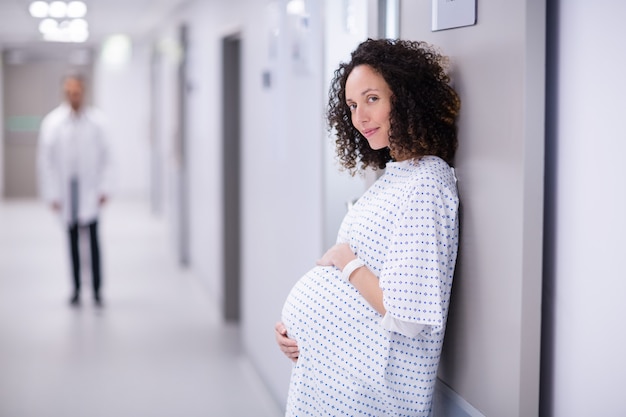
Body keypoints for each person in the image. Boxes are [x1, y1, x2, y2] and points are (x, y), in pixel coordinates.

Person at [275, 38, 461, 416]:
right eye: (353, 105)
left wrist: (346, 261)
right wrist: (302, 334)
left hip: (369, 397)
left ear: (406, 97)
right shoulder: (396, 176)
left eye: (372, 99)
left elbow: (408, 316)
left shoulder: (427, 182)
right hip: (335, 381)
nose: (360, 118)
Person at [38, 73, 112, 306]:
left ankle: (98, 290)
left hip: (90, 189)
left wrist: (104, 188)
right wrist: (51, 194)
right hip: (66, 190)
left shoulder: (98, 122)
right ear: (64, 93)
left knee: (93, 241)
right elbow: (45, 161)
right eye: (69, 92)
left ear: (83, 92)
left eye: (77, 92)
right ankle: (77, 289)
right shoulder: (52, 123)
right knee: (71, 242)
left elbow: (108, 157)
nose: (74, 96)